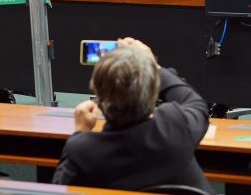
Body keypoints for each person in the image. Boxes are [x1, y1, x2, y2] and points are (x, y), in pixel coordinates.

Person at [52, 38, 216, 194]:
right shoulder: (176, 126)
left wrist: (80, 131)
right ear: (153, 91)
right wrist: (154, 67)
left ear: (98, 96)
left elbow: (59, 189)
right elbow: (195, 103)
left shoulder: (83, 150)